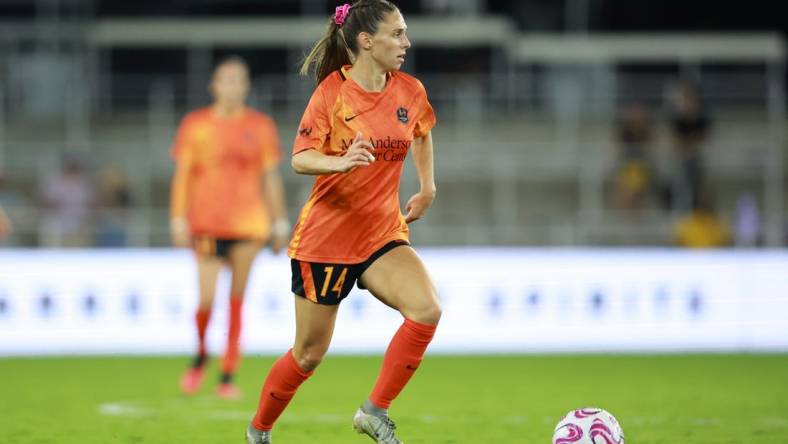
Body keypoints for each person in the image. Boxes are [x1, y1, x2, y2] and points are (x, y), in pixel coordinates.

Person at [246, 2, 440, 443]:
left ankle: (374, 412)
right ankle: (258, 431)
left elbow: (424, 132)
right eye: (397, 34)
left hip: (381, 234)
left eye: (405, 33)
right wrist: (341, 161)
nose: (406, 43)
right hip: (327, 240)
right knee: (309, 355)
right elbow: (299, 158)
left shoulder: (410, 90)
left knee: (427, 310)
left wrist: (427, 187)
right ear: (366, 42)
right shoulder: (331, 93)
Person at [170, 56, 289, 399]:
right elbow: (183, 177)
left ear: (246, 86)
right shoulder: (196, 125)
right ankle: (200, 354)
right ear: (214, 86)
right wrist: (178, 218)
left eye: (239, 80)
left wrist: (279, 221)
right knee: (206, 298)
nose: (233, 86)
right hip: (206, 222)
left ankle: (227, 376)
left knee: (237, 299)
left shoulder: (261, 126)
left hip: (249, 224)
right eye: (227, 80)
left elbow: (270, 178)